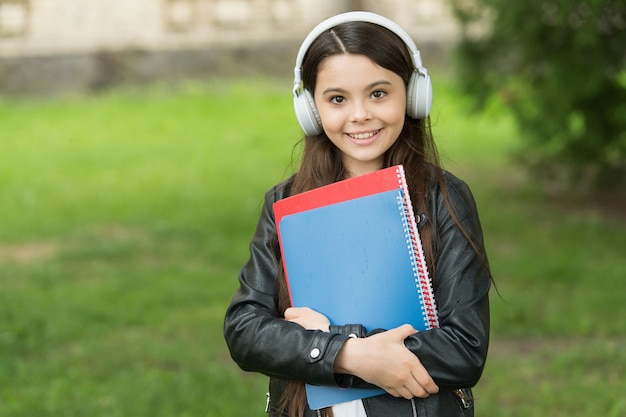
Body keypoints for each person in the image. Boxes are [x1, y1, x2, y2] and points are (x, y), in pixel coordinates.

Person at [224, 11, 491, 417]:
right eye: (337, 99)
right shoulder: (285, 204)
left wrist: (334, 342)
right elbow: (245, 330)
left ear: (413, 94)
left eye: (379, 93)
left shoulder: (445, 198)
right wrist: (351, 355)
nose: (360, 114)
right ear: (310, 108)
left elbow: (464, 349)